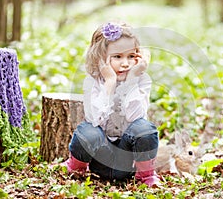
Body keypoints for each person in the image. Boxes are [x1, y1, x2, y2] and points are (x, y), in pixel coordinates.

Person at [62, 22, 161, 187]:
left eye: (131, 56)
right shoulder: (93, 82)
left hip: (128, 161)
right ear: (101, 58)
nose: (125, 63)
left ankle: (146, 176)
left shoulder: (142, 80)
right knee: (87, 131)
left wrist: (132, 80)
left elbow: (134, 117)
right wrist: (110, 83)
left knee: (145, 128)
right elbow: (95, 120)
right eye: (117, 57)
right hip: (100, 159)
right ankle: (76, 168)